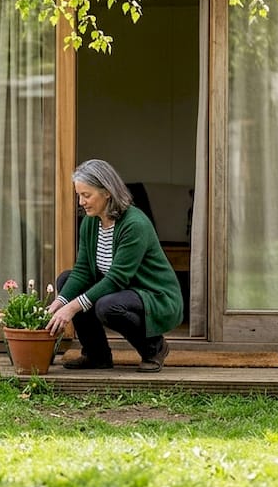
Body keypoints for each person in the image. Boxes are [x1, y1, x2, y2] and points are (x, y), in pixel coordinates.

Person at [46, 159, 183, 372]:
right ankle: (96, 355)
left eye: (86, 195)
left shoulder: (134, 224)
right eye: (79, 195)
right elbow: (82, 270)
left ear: (107, 192)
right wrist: (59, 303)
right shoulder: (91, 221)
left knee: (107, 307)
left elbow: (117, 278)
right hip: (122, 288)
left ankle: (154, 348)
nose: (81, 202)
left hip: (153, 293)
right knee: (66, 279)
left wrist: (71, 308)